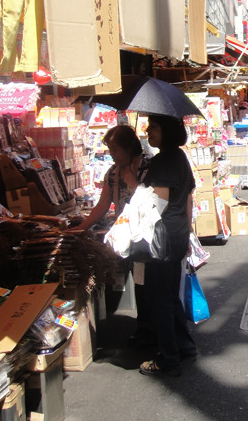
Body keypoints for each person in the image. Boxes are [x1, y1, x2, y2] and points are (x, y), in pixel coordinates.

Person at [75, 125, 154, 347]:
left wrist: (132, 181)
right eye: (109, 149)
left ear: (129, 148)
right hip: (127, 237)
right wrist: (82, 227)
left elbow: (154, 201)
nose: (111, 154)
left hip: (147, 236)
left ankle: (152, 327)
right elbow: (103, 204)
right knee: (139, 281)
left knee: (149, 283)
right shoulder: (112, 172)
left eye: (115, 149)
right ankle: (144, 327)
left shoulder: (150, 166)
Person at [139, 115, 198, 377]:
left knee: (161, 298)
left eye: (153, 127)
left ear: (167, 131)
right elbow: (188, 199)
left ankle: (169, 359)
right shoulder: (180, 158)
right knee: (171, 294)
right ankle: (184, 346)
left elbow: (158, 205)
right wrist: (187, 233)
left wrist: (134, 185)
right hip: (177, 232)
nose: (148, 130)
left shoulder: (163, 161)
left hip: (162, 235)